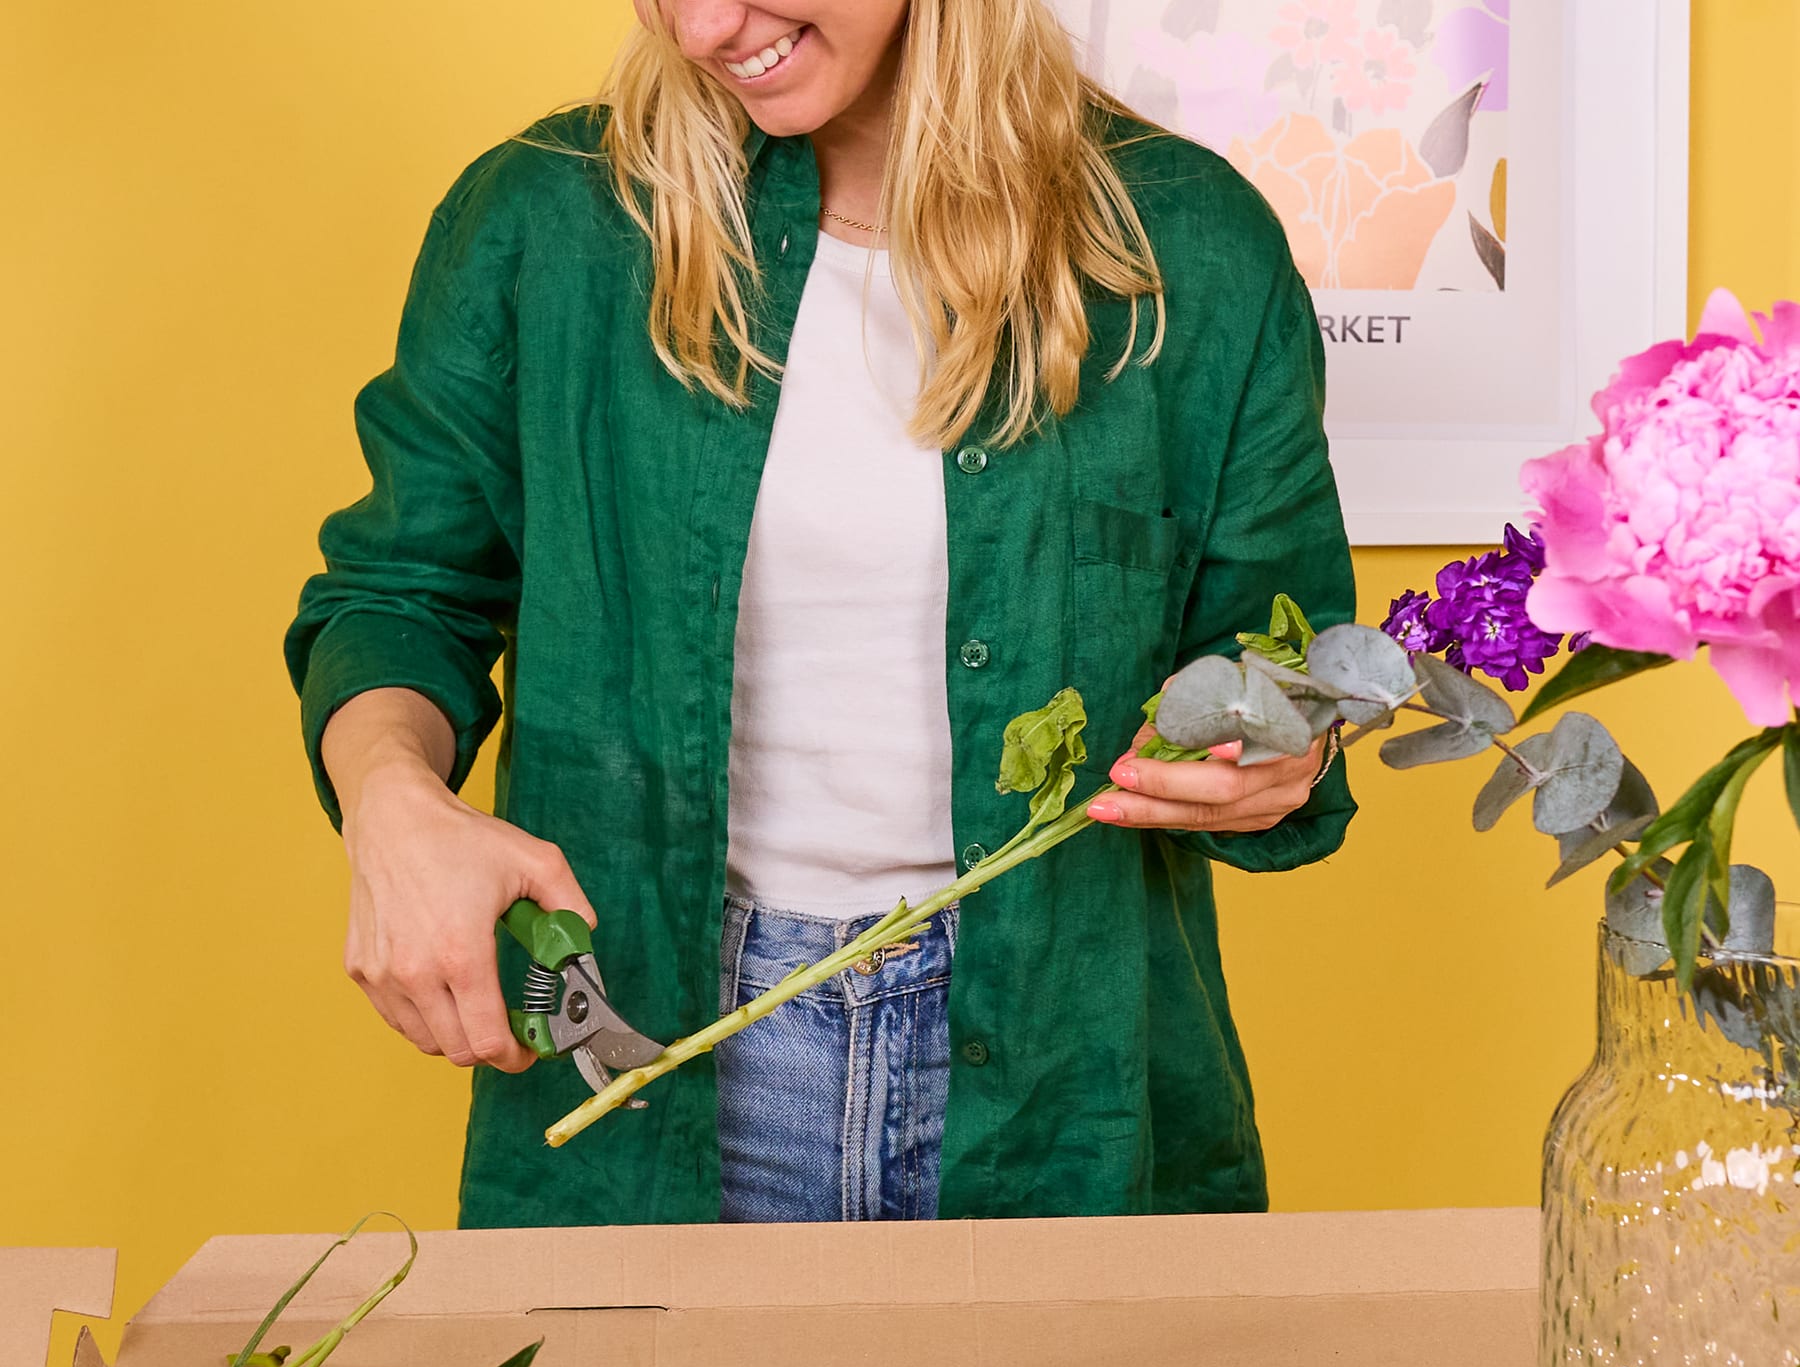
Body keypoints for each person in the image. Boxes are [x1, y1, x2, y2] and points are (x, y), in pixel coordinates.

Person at [285, 0, 1357, 1229]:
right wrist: (392, 802)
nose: (698, 27)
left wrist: (1277, 749)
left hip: (1069, 1087)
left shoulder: (1194, 246)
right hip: (657, 1064)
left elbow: (1287, 659)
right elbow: (399, 595)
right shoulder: (541, 223)